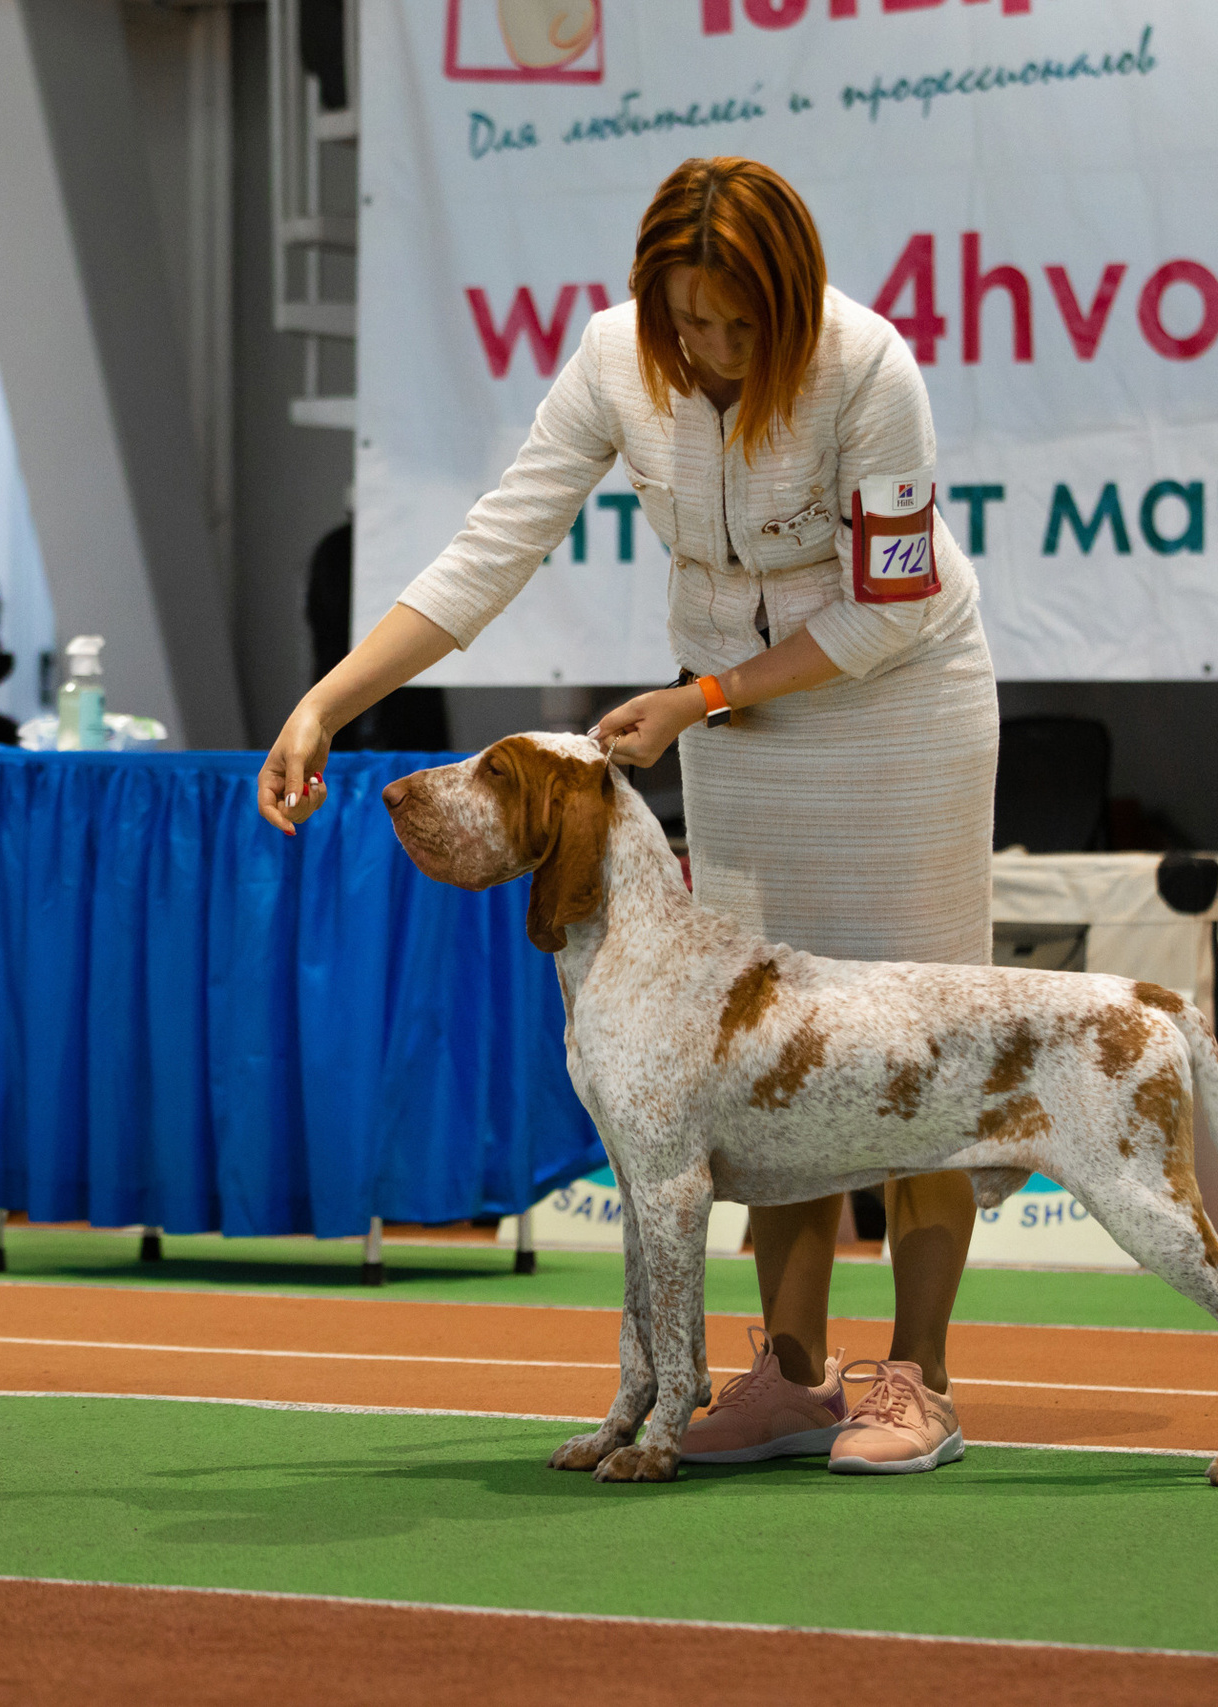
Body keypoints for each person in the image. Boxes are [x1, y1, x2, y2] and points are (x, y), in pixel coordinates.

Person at [259, 157, 998, 1475]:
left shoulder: (871, 368)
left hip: (896, 709)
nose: (711, 349)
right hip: (735, 725)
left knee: (915, 1047)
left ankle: (916, 1377)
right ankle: (784, 1371)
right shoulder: (617, 360)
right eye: (688, 320)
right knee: (774, 1053)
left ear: (793, 295)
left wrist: (700, 691)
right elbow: (493, 549)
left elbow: (888, 606)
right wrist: (325, 700)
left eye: (737, 324)